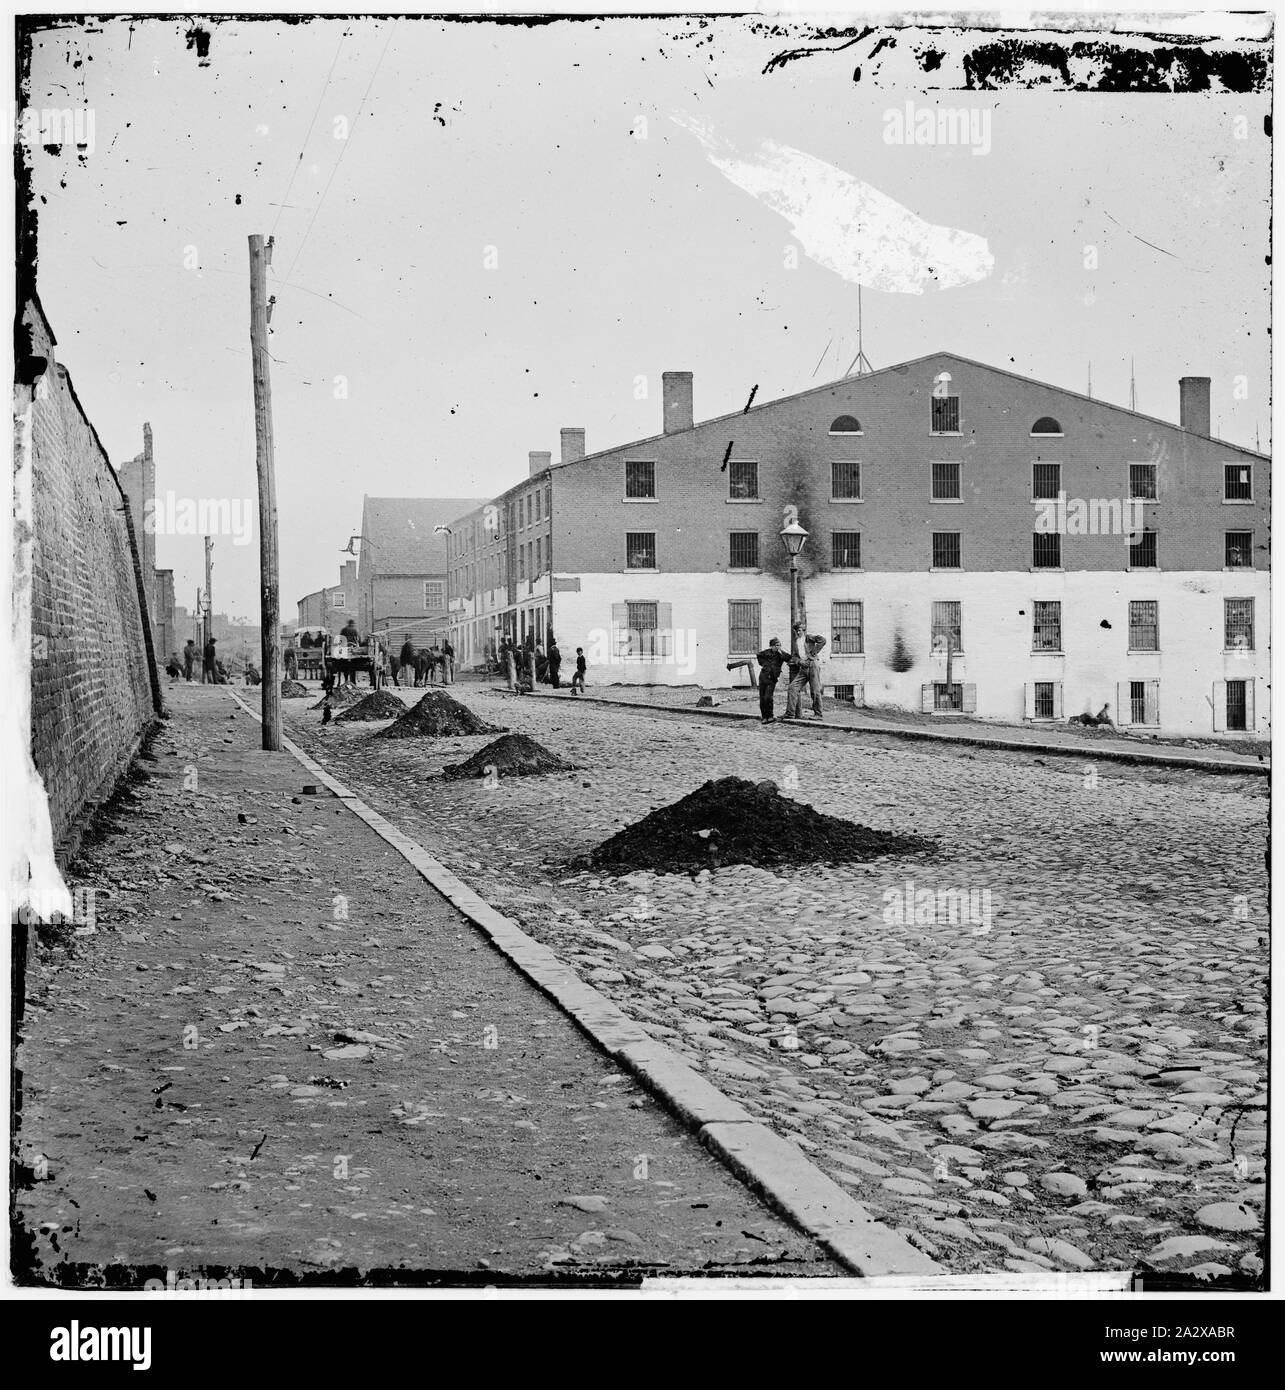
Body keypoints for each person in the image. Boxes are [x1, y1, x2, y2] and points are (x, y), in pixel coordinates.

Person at [784, 624, 827, 721]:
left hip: (812, 665)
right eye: (797, 631)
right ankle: (790, 714)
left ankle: (818, 714)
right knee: (792, 687)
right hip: (803, 668)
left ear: (804, 630)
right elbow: (794, 656)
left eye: (800, 630)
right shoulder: (796, 642)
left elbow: (823, 640)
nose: (798, 632)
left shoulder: (809, 638)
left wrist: (812, 654)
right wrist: (800, 661)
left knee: (815, 690)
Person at [755, 637, 790, 723]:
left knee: (768, 697)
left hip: (772, 678)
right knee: (762, 698)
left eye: (779, 645)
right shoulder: (766, 652)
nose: (778, 647)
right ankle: (764, 717)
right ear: (771, 646)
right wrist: (764, 664)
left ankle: (770, 716)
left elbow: (789, 658)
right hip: (763, 677)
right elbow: (758, 655)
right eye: (776, 645)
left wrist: (781, 652)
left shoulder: (781, 654)